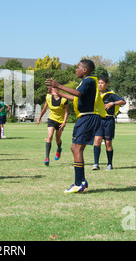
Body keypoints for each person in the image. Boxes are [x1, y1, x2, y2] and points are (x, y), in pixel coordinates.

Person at [45, 60, 107, 193]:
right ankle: (82, 180)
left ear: (85, 70)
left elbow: (77, 94)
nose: (76, 69)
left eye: (78, 67)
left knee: (77, 148)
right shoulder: (85, 82)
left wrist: (59, 85)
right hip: (84, 117)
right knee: (74, 147)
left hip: (88, 117)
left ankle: (78, 184)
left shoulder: (89, 80)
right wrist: (60, 94)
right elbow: (77, 98)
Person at [92, 76, 126, 170]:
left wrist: (112, 103)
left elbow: (123, 101)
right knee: (97, 141)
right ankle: (96, 164)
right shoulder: (95, 94)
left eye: (102, 83)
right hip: (98, 120)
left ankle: (109, 164)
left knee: (108, 143)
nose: (100, 85)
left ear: (106, 84)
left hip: (109, 121)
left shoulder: (111, 94)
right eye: (98, 83)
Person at [36, 87, 69, 166]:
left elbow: (66, 112)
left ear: (58, 90)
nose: (51, 90)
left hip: (60, 121)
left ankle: (58, 149)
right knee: (49, 136)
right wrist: (39, 118)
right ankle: (47, 158)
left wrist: (64, 122)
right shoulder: (48, 97)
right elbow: (44, 109)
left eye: (54, 89)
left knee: (57, 139)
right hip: (51, 119)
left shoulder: (64, 99)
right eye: (52, 89)